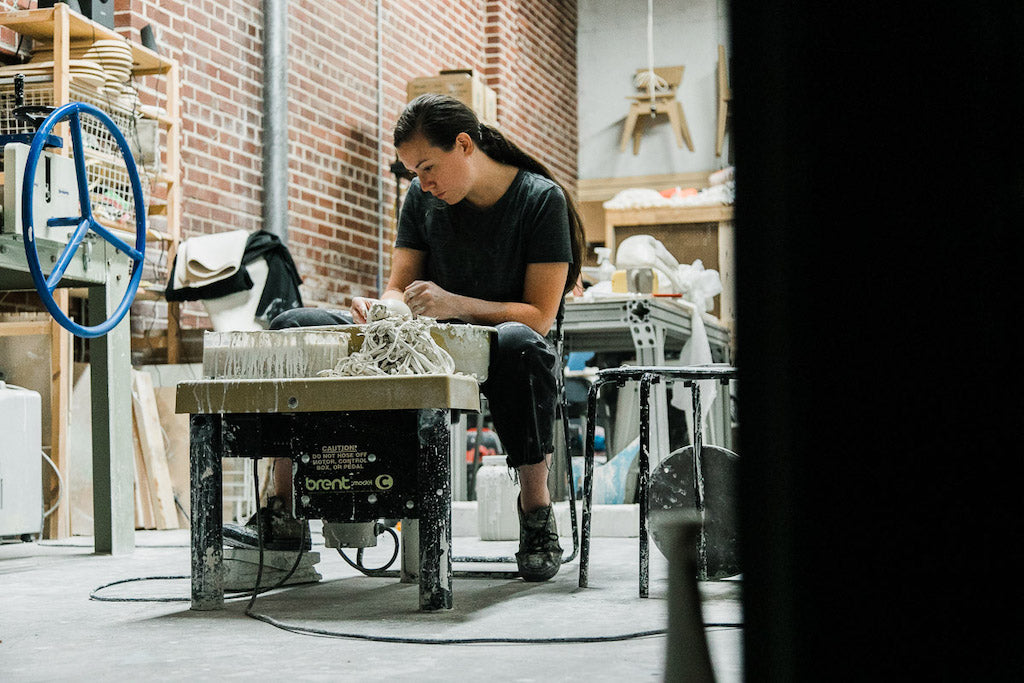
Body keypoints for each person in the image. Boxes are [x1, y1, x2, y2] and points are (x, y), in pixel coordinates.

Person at [246, 94, 585, 582]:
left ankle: (535, 512)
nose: (423, 184)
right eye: (413, 174)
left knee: (521, 345)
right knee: (292, 327)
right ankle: (283, 508)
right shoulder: (423, 200)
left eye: (428, 168)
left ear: (464, 145)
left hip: (501, 347)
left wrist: (458, 305)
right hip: (423, 343)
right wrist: (381, 309)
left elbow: (539, 317)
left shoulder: (539, 200)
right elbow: (400, 286)